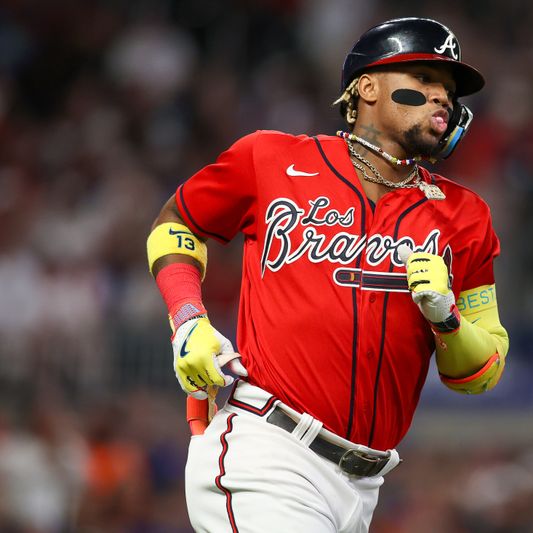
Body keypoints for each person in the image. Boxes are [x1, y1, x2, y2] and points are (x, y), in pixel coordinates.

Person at [146, 17, 509, 532]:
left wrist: (446, 318)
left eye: (448, 89)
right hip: (267, 450)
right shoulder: (272, 158)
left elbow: (482, 371)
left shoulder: (465, 216)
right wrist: (187, 319)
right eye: (425, 79)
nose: (442, 98)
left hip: (362, 486)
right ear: (366, 87)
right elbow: (176, 224)